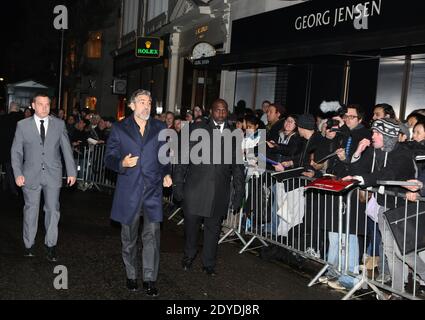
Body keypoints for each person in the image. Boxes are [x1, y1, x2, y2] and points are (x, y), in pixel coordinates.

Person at [104, 89, 172, 296]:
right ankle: (131, 275)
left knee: (152, 236)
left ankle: (150, 279)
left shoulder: (160, 127)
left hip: (152, 190)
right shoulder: (119, 128)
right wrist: (121, 163)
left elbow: (165, 156)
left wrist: (167, 173)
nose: (146, 105)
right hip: (129, 192)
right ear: (132, 105)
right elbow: (109, 158)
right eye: (142, 101)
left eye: (149, 102)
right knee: (129, 238)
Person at [173, 99, 245, 276]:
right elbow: (182, 159)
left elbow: (237, 167)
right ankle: (189, 255)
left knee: (213, 230)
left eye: (224, 110)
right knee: (191, 228)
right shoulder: (198, 130)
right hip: (195, 189)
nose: (221, 113)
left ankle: (209, 263)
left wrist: (239, 194)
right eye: (217, 110)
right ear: (211, 112)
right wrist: (178, 185)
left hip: (219, 191)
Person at [11, 93, 77, 262]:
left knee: (53, 210)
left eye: (47, 104)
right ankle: (29, 244)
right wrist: (18, 173)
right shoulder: (22, 125)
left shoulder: (59, 124)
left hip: (53, 174)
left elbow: (66, 149)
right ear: (33, 105)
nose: (44, 107)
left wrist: (71, 171)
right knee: (31, 210)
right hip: (29, 175)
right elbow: (16, 151)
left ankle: (50, 245)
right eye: (40, 104)